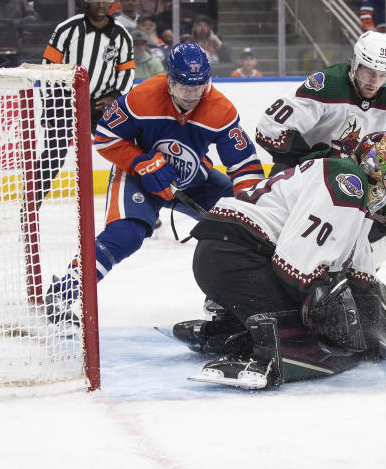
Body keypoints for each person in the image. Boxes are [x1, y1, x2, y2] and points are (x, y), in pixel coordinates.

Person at [44, 43, 265, 325]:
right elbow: (105, 136)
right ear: (169, 81)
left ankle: (222, 298)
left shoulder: (220, 110)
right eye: (185, 87)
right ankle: (64, 290)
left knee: (239, 227)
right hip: (140, 177)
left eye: (199, 87)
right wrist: (139, 162)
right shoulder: (142, 97)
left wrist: (251, 205)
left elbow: (245, 165)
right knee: (125, 235)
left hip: (193, 179)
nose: (193, 96)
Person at [179, 131, 386, 389]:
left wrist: (373, 320)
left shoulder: (349, 182)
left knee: (326, 321)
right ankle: (262, 355)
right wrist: (326, 311)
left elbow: (358, 270)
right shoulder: (349, 180)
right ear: (375, 165)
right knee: (321, 342)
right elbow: (296, 262)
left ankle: (224, 331)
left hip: (226, 255)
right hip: (236, 258)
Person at [255, 30, 386, 257]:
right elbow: (269, 129)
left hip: (351, 185)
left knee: (376, 247)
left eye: (382, 75)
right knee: (277, 237)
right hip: (302, 176)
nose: (374, 82)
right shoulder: (326, 84)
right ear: (355, 63)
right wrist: (317, 160)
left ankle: (347, 289)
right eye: (369, 72)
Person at [43, 0, 135, 139]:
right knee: (53, 155)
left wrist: (115, 97)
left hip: (103, 105)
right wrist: (49, 103)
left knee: (118, 152)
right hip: (66, 102)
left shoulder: (122, 35)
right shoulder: (66, 29)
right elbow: (48, 67)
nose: (101, 4)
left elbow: (126, 71)